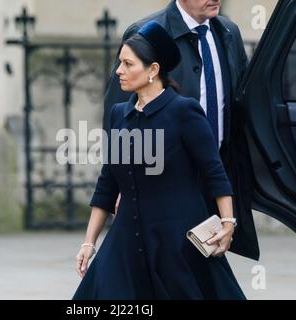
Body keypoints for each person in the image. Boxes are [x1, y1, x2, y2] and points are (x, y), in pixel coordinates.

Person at [73, 21, 245, 300]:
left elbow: (214, 172)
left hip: (177, 243)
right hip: (125, 243)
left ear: (153, 70)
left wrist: (228, 222)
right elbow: (107, 184)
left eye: (128, 64)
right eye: (120, 63)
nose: (119, 70)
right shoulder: (119, 114)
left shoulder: (184, 111)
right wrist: (88, 243)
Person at [104, 0, 259, 262]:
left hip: (213, 173)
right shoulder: (147, 32)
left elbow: (240, 105)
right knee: (158, 266)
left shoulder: (228, 33)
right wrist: (122, 183)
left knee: (204, 266)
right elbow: (119, 114)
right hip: (161, 183)